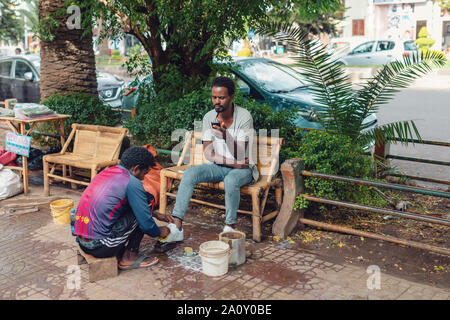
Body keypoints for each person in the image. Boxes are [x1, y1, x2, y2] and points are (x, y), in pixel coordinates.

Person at [160, 76, 258, 243]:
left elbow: (241, 154)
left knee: (231, 180)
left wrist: (226, 135)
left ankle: (229, 226)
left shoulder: (244, 117)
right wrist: (233, 163)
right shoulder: (209, 117)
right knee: (190, 173)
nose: (217, 101)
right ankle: (177, 227)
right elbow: (209, 154)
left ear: (232, 97)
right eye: (214, 97)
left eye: (221, 97)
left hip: (244, 169)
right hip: (224, 165)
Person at [74, 146, 174, 270]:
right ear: (136, 168)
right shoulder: (132, 182)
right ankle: (130, 257)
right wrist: (159, 231)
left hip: (82, 240)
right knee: (147, 201)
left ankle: (122, 250)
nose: (143, 178)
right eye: (144, 173)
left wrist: (154, 213)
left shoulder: (108, 171)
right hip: (101, 246)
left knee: (142, 203)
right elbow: (146, 225)